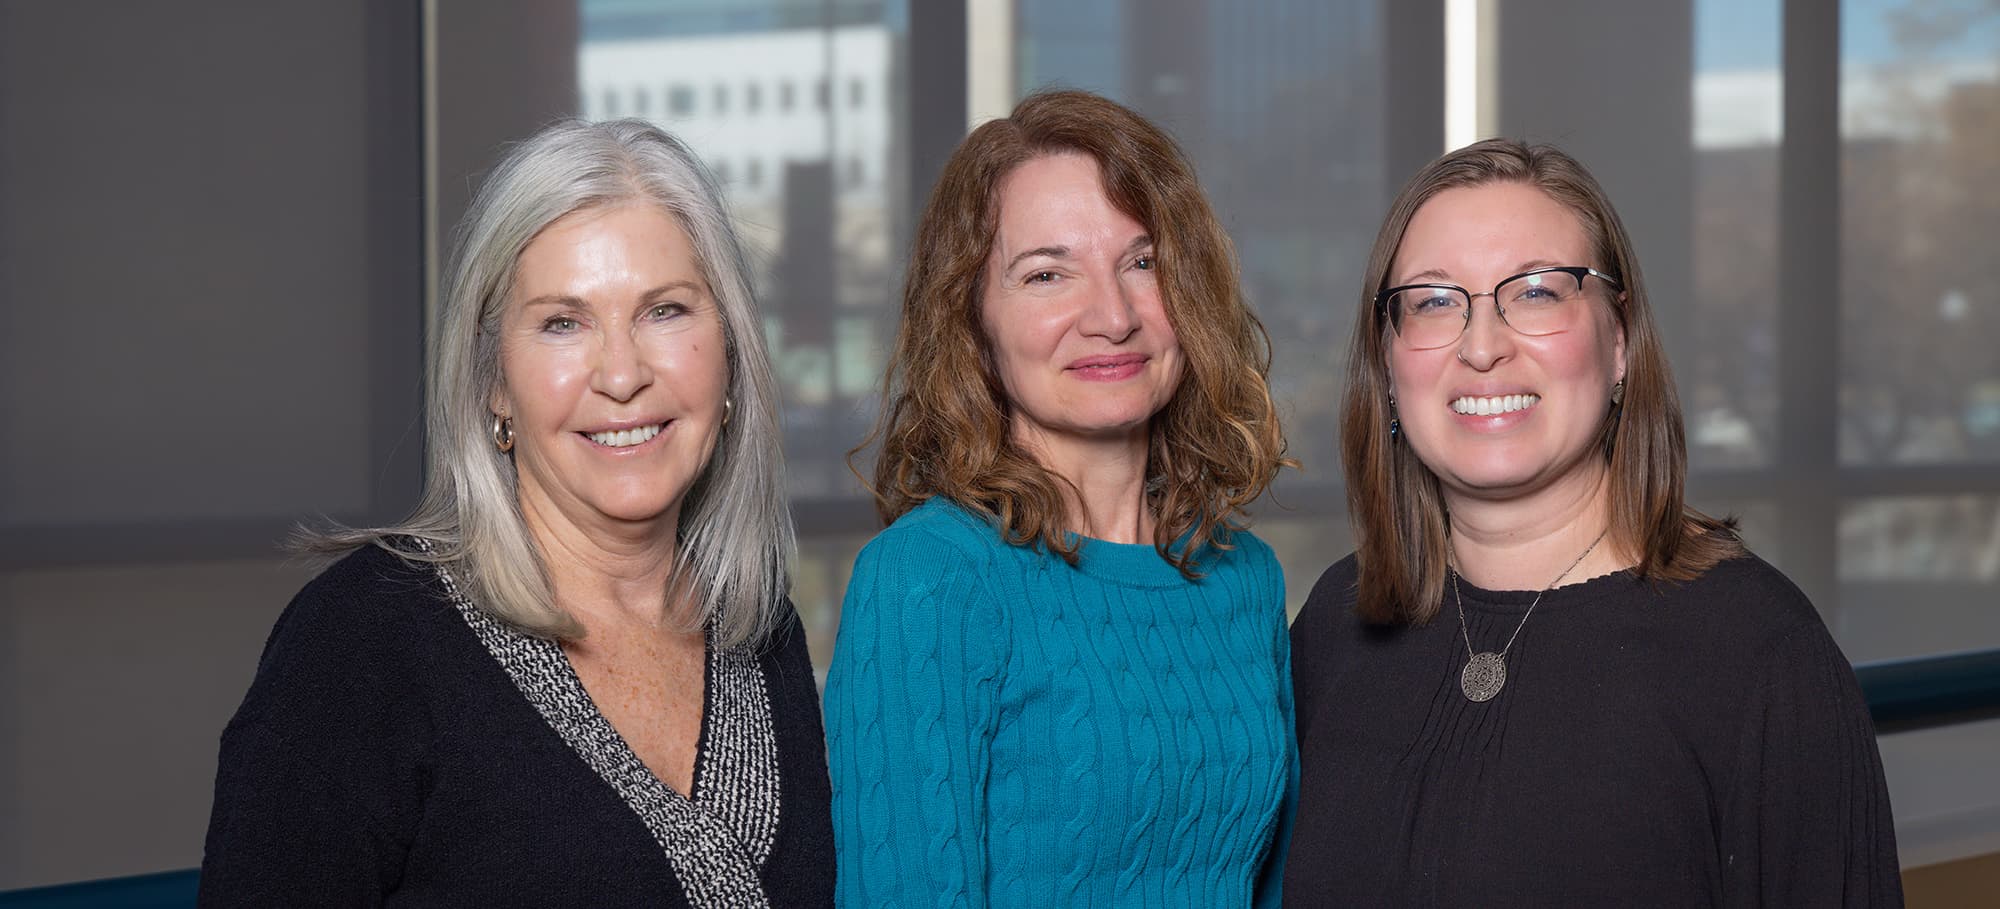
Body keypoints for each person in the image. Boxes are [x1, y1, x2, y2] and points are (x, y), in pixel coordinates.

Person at [199, 120, 833, 906]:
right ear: (494, 383)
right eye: (563, 322)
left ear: (733, 354)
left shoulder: (761, 627)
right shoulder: (362, 639)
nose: (623, 373)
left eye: (665, 311)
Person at [1285, 138, 1902, 906]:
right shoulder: (1335, 626)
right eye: (1436, 301)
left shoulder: (1761, 655)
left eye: (1538, 291)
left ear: (1619, 343)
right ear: (1387, 363)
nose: (1483, 346)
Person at [824, 89, 1297, 907]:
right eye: (1047, 273)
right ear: (972, 319)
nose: (1111, 316)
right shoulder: (927, 581)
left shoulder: (1243, 578)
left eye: (1143, 263)